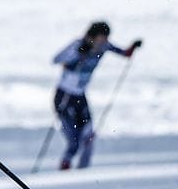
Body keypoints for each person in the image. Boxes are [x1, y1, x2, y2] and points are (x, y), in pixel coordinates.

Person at [51, 21, 141, 170]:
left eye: (106, 38)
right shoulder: (78, 44)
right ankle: (65, 167)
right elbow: (56, 59)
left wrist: (133, 47)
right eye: (101, 38)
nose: (104, 41)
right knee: (74, 140)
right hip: (65, 96)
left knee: (88, 136)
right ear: (92, 36)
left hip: (80, 96)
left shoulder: (104, 46)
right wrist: (77, 54)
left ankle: (83, 170)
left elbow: (124, 53)